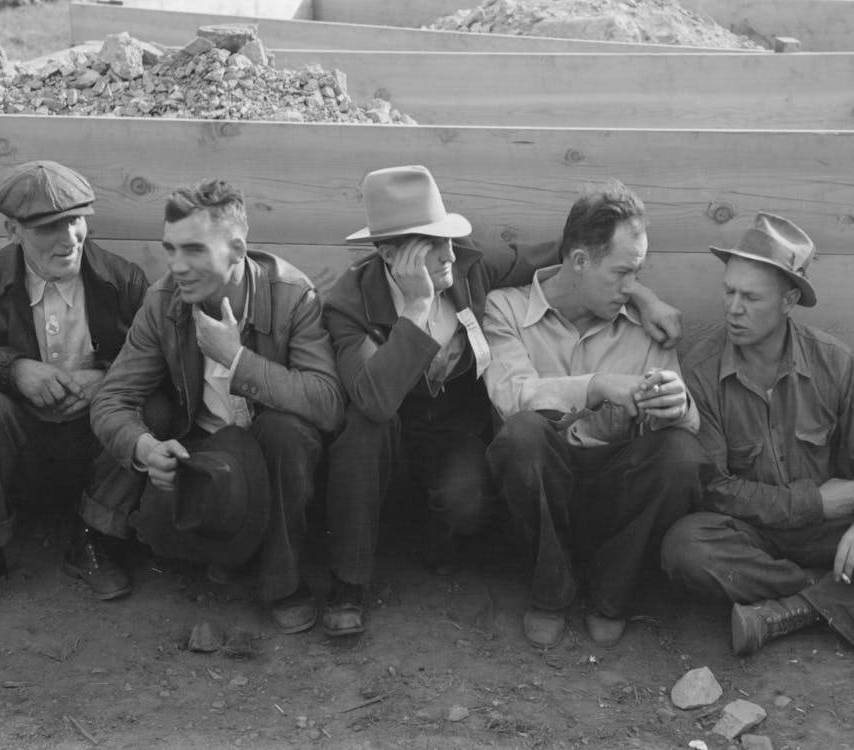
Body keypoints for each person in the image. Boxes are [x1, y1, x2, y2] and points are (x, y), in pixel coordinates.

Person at [320, 166, 685, 638]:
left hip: (452, 430)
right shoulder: (349, 302)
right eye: (430, 245)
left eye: (449, 237)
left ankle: (438, 543)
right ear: (390, 253)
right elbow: (371, 399)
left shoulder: (469, 267)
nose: (448, 253)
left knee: (466, 504)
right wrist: (413, 310)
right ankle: (348, 582)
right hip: (384, 431)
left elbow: (582, 253)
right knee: (363, 431)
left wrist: (643, 296)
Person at [661, 211, 854, 655]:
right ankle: (831, 599)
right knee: (685, 546)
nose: (733, 308)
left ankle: (787, 610)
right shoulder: (699, 369)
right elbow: (715, 489)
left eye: (751, 297)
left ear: (789, 300)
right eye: (728, 291)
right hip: (752, 534)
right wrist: (813, 502)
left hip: (834, 534)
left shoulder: (835, 361)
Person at [90, 179, 344, 633]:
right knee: (158, 520)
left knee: (288, 431)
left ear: (237, 248)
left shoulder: (292, 296)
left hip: (277, 456)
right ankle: (229, 549)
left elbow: (327, 403)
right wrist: (145, 447)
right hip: (209, 453)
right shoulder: (164, 300)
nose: (177, 266)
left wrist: (238, 359)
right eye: (169, 249)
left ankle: (282, 581)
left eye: (194, 250)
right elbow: (113, 398)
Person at [482, 180, 705, 648]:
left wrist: (677, 405)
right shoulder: (505, 309)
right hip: (541, 491)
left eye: (638, 274)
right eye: (623, 273)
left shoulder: (645, 328)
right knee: (522, 434)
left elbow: (687, 427)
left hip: (615, 493)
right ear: (580, 261)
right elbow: (510, 396)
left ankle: (612, 593)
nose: (633, 287)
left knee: (681, 453)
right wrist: (597, 386)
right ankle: (551, 592)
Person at [0, 160, 150, 601]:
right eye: (47, 228)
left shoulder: (124, 280)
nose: (68, 240)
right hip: (22, 446)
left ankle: (95, 538)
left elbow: (157, 360)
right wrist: (14, 370)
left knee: (148, 406)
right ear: (12, 229)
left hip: (96, 443)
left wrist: (106, 380)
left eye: (76, 221)